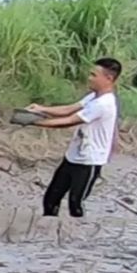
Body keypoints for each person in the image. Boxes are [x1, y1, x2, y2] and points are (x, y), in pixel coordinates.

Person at [28, 57, 122, 218]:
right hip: (73, 156)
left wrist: (35, 122)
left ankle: (79, 238)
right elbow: (68, 110)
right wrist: (40, 109)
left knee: (76, 203)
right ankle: (49, 234)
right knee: (51, 198)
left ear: (108, 78)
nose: (89, 78)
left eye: (93, 75)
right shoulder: (93, 97)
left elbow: (69, 121)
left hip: (90, 160)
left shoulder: (103, 104)